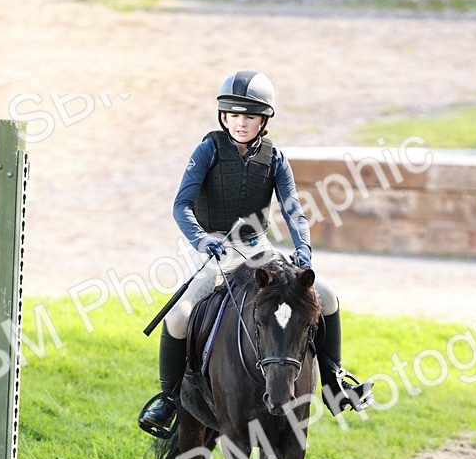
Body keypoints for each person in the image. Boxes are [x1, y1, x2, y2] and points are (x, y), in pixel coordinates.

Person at [138, 70, 374, 436]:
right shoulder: (207, 150)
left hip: (257, 247)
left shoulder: (275, 157)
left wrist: (303, 248)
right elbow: (181, 205)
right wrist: (202, 240)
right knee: (179, 316)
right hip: (214, 247)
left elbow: (293, 208)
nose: (240, 123)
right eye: (233, 115)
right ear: (223, 116)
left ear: (263, 120)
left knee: (326, 295)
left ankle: (334, 381)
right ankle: (168, 399)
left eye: (249, 116)